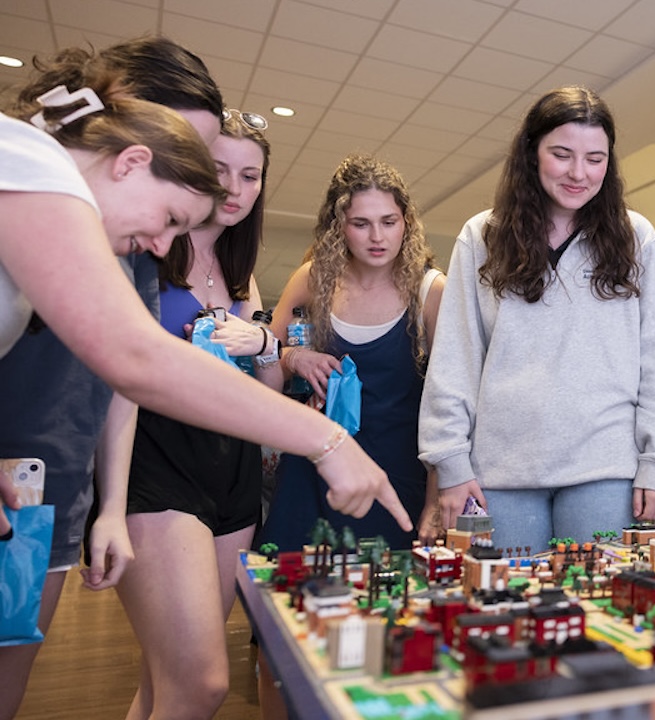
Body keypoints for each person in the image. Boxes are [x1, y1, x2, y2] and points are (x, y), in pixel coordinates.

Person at [0, 43, 407, 718]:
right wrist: (327, 441)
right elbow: (138, 359)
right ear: (133, 155)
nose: (163, 247)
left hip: (60, 487)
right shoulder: (29, 163)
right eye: (170, 213)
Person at [418, 86, 655, 552]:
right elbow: (455, 359)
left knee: (601, 597)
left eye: (595, 158)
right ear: (532, 153)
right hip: (500, 472)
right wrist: (449, 462)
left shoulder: (636, 238)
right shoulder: (482, 237)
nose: (578, 173)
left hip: (607, 469)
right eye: (562, 155)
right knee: (504, 596)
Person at [114, 109, 281, 720]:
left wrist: (264, 344)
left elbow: (266, 391)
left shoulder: (242, 275)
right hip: (157, 461)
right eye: (219, 170)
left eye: (250, 176)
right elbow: (119, 380)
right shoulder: (147, 251)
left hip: (232, 468)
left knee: (165, 681)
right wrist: (107, 506)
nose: (234, 189)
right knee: (201, 684)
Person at [259, 154, 444, 552]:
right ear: (338, 226)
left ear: (406, 223)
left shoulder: (430, 291)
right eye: (361, 224)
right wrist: (292, 357)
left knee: (386, 586)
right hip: (313, 472)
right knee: (291, 585)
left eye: (389, 222)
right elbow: (264, 373)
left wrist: (435, 501)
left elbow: (449, 405)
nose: (377, 237)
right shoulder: (313, 279)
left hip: (396, 476)